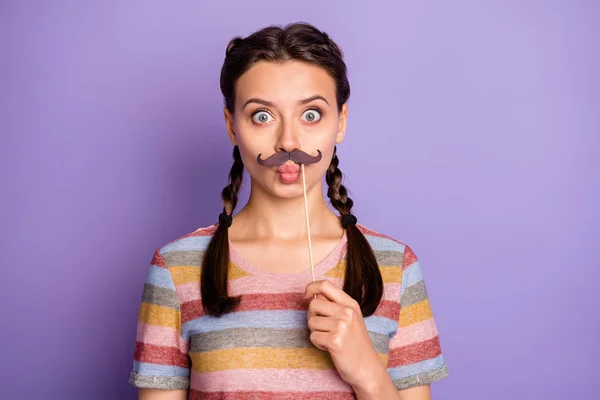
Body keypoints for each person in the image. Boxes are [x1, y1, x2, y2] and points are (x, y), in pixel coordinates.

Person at [129, 22, 449, 400]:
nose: (288, 141)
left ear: (340, 122)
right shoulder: (177, 268)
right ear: (232, 126)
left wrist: (367, 372)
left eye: (311, 114)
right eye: (262, 116)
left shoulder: (395, 268)